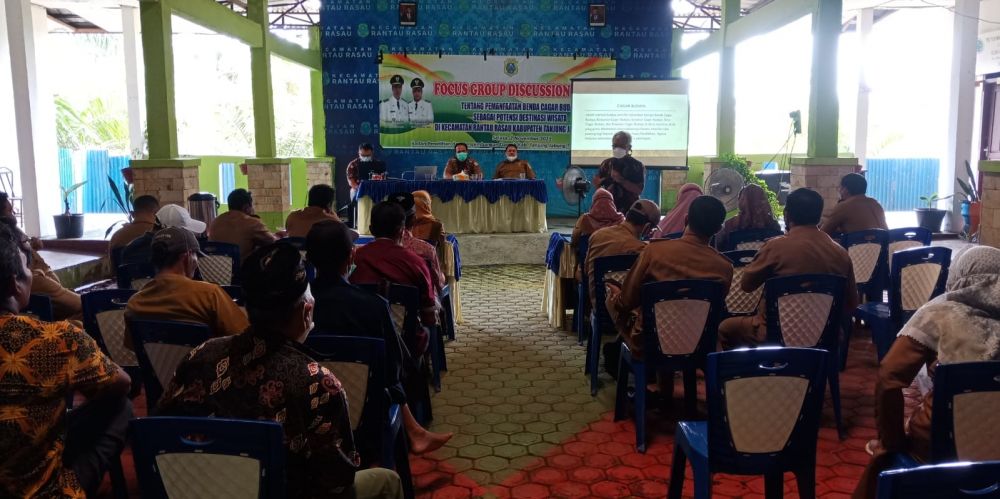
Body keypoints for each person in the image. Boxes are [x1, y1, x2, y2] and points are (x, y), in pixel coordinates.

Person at [158, 242, 404, 499]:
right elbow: (338, 479)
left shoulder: (201, 354)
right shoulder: (316, 382)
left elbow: (160, 424)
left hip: (202, 487)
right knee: (387, 480)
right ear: (306, 312)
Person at [851, 246, 1000, 499]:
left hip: (940, 444)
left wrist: (891, 441)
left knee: (885, 459)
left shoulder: (940, 313)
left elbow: (889, 377)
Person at [0, 220, 133, 498]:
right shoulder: (57, 339)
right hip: (42, 491)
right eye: (27, 268)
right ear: (15, 284)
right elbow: (121, 383)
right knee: (120, 407)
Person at [307, 220, 453, 455]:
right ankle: (414, 429)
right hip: (365, 409)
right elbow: (395, 366)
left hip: (306, 410)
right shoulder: (372, 306)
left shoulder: (298, 308)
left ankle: (414, 430)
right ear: (351, 257)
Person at [718, 188, 857, 350]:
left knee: (726, 328)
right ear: (819, 216)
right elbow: (851, 303)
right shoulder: (841, 253)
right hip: (825, 335)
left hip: (773, 333)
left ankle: (751, 372)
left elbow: (746, 285)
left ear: (787, 215)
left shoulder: (775, 247)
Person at [607, 196, 733, 359]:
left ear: (686, 219)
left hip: (649, 345)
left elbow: (627, 301)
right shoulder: (725, 267)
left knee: (615, 301)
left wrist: (615, 297)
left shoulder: (654, 252)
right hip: (700, 346)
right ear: (718, 229)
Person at [125, 226, 249, 345]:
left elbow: (134, 346)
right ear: (188, 257)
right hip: (206, 366)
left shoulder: (135, 304)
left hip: (157, 367)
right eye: (196, 255)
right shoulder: (210, 295)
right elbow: (244, 337)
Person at [351, 202, 439, 355]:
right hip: (407, 344)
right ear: (402, 231)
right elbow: (428, 314)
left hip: (362, 341)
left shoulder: (355, 257)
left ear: (371, 229)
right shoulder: (416, 263)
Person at [0, 194, 83, 321]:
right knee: (87, 307)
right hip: (36, 281)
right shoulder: (7, 240)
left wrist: (32, 245)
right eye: (10, 211)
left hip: (40, 279)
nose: (14, 214)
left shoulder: (12, 233)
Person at [585, 200, 661, 310]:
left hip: (599, 311)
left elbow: (587, 269)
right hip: (625, 316)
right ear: (647, 227)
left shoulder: (596, 236)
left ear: (627, 215)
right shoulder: (641, 250)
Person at [387, 192, 445, 290]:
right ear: (414, 219)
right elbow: (438, 284)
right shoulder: (427, 250)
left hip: (380, 301)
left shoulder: (366, 253)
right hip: (421, 303)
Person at [209, 189, 280, 263]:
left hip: (216, 271)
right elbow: (273, 242)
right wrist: (278, 236)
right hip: (241, 271)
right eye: (251, 206)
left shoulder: (216, 221)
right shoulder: (251, 222)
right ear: (246, 207)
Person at [713, 184, 781, 250]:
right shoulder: (774, 225)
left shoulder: (729, 225)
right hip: (767, 261)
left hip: (733, 261)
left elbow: (718, 250)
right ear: (763, 200)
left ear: (741, 201)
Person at [593, 131, 646, 213]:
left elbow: (638, 190)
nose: (617, 148)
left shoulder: (637, 166)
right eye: (615, 146)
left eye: (621, 146)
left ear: (629, 147)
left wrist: (622, 181)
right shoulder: (606, 164)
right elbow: (600, 189)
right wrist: (598, 185)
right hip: (608, 208)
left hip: (628, 211)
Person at [820, 173, 888, 236]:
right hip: (884, 246)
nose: (839, 191)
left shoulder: (844, 206)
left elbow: (824, 232)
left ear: (845, 189)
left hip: (859, 247)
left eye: (840, 188)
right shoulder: (875, 203)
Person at [107, 194, 160, 274]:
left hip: (125, 284)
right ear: (156, 213)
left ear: (132, 214)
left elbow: (113, 271)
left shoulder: (116, 237)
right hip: (157, 284)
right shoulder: (161, 235)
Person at [571, 187, 624, 252]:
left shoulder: (585, 219)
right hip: (615, 258)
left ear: (594, 203)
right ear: (612, 203)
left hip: (588, 259)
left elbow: (574, 239)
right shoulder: (621, 219)